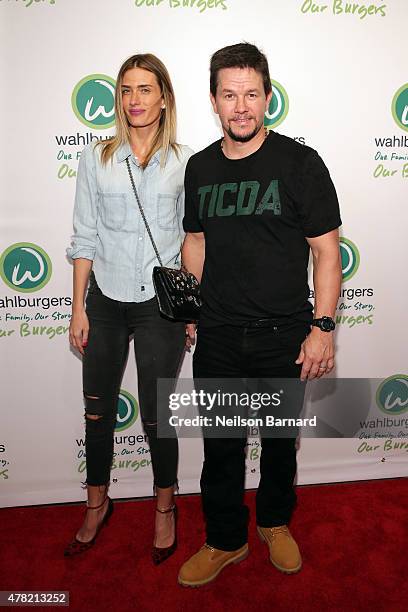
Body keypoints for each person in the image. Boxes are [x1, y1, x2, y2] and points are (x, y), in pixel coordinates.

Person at [178, 42, 342, 586]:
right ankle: (225, 539)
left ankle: (274, 522)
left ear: (268, 98)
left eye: (251, 94)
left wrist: (322, 328)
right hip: (220, 337)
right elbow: (195, 242)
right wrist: (191, 308)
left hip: (284, 335)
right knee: (221, 449)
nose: (241, 106)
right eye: (230, 95)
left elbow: (326, 250)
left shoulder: (300, 163)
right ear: (214, 101)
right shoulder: (199, 168)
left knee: (278, 444)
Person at [65, 53, 193, 564]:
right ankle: (97, 501)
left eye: (145, 89)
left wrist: (191, 309)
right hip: (106, 299)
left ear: (163, 97)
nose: (135, 99)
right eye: (126, 89)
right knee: (97, 410)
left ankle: (165, 506)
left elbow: (193, 240)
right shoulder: (96, 158)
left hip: (159, 305)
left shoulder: (186, 162)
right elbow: (84, 236)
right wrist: (78, 308)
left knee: (158, 415)